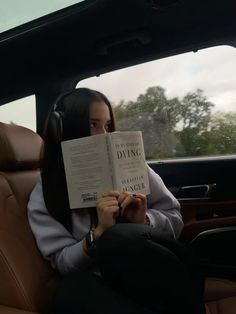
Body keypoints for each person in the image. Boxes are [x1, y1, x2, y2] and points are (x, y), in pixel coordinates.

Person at [27, 88, 205, 314]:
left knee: (119, 238)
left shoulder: (133, 167)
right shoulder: (45, 193)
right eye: (93, 124)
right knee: (70, 291)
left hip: (156, 273)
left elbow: (175, 218)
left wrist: (145, 222)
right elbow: (62, 262)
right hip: (104, 283)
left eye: (108, 126)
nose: (103, 134)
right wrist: (97, 234)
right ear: (62, 130)